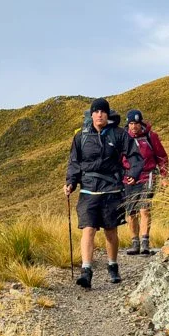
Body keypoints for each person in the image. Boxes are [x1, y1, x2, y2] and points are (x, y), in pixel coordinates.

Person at [63, 98, 139, 288]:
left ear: (108, 115)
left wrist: (133, 174)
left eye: (102, 112)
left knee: (110, 230)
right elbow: (74, 163)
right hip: (89, 189)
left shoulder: (119, 134)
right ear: (91, 115)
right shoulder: (81, 136)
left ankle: (112, 266)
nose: (99, 115)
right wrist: (71, 183)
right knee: (88, 229)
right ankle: (86, 271)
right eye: (96, 112)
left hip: (112, 188)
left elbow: (135, 156)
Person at [121, 107, 168, 255]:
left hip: (147, 176)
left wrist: (164, 176)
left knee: (144, 209)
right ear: (127, 124)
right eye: (131, 124)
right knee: (131, 212)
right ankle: (135, 243)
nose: (134, 127)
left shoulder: (150, 137)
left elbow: (161, 157)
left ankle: (145, 242)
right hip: (128, 178)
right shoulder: (123, 138)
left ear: (141, 123)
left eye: (136, 123)